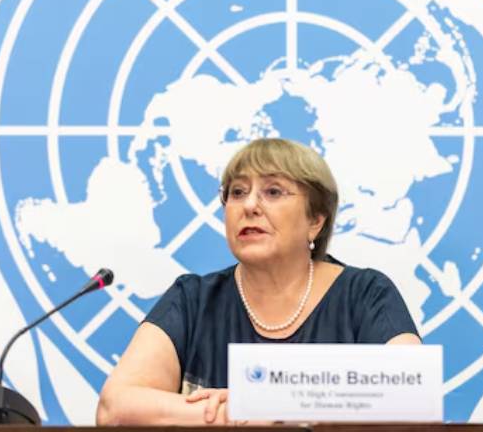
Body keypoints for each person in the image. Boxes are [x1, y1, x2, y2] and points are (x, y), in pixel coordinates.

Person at [96, 138, 420, 426]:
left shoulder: (364, 295)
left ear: (315, 221)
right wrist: (231, 414)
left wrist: (272, 404)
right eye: (237, 192)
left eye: (273, 191)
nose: (249, 205)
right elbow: (114, 407)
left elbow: (411, 397)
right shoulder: (193, 299)